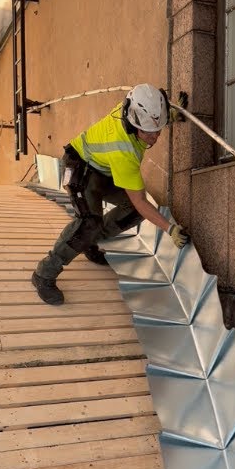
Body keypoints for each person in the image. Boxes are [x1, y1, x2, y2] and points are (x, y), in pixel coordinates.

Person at [31, 84, 192, 305]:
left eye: (158, 129)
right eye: (148, 132)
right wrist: (170, 229)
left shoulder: (133, 106)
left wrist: (166, 117)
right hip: (79, 168)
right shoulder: (124, 152)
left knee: (128, 214)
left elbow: (149, 115)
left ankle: (90, 242)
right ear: (134, 125)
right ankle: (43, 274)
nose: (154, 137)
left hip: (102, 168)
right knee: (88, 223)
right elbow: (140, 201)